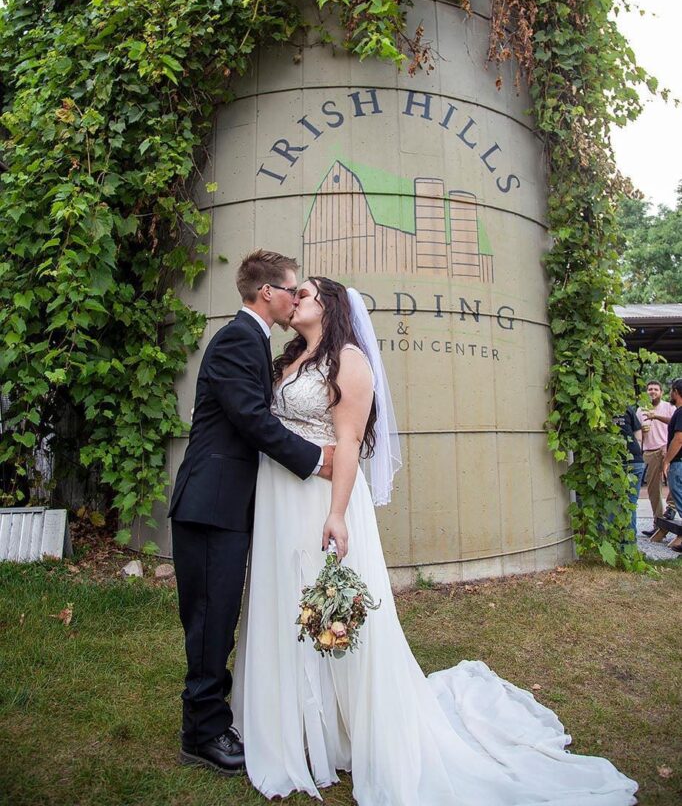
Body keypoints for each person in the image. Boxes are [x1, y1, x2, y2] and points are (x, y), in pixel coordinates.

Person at [232, 277, 637, 805]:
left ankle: (348, 726)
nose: (296, 299)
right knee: (284, 602)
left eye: (306, 293)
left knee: (326, 607)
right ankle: (298, 729)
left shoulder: (349, 361)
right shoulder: (289, 359)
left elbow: (350, 441)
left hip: (319, 501)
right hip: (279, 497)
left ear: (328, 306)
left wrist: (336, 515)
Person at [168, 250, 334, 774]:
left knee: (217, 615)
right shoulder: (238, 338)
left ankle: (211, 718)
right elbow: (250, 420)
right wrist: (314, 460)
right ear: (268, 293)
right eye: (291, 290)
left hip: (223, 502)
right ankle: (202, 732)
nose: (294, 299)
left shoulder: (250, 342)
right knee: (209, 617)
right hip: (210, 503)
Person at [637, 380, 675, 536]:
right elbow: (638, 432)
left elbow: (676, 426)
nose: (652, 391)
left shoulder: (669, 407)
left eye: (656, 389)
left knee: (675, 482)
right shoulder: (640, 410)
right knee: (653, 490)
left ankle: (671, 508)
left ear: (661, 392)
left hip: (665, 449)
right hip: (648, 452)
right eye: (650, 389)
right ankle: (659, 523)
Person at [612, 405, 645, 541]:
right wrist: (635, 448)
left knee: (613, 502)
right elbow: (638, 432)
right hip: (636, 459)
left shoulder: (603, 407)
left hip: (618, 461)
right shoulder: (627, 407)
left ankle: (614, 541)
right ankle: (629, 544)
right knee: (630, 503)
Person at [661, 378, 682, 552]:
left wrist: (666, 461)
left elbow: (679, 438)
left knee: (680, 499)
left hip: (679, 463)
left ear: (675, 392)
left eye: (670, 390)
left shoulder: (681, 412)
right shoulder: (678, 413)